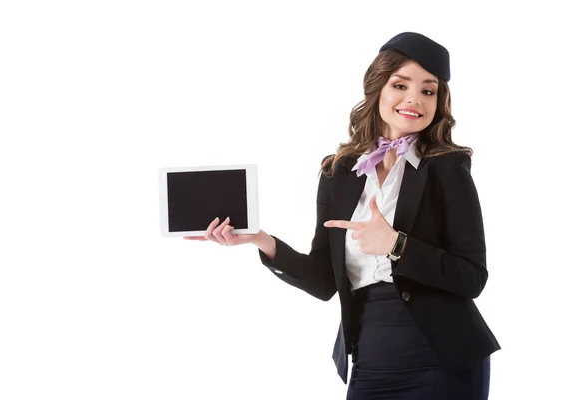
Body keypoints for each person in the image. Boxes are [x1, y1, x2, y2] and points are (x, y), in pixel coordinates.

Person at [184, 31, 500, 400]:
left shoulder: (446, 167)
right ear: (378, 87)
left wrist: (396, 245)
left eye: (428, 91)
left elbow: (472, 277)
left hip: (442, 363)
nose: (414, 99)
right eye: (401, 85)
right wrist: (261, 241)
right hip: (370, 360)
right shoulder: (339, 173)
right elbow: (323, 281)